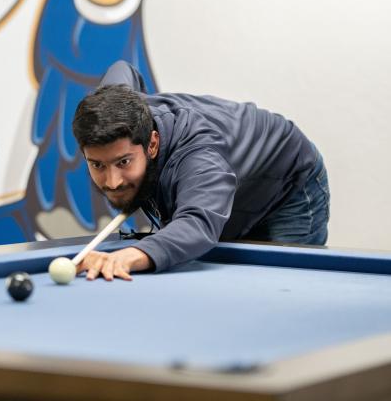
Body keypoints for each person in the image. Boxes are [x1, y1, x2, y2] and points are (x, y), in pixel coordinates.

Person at [72, 60, 330, 281]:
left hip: (288, 183)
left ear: (152, 143)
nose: (113, 181)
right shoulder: (113, 101)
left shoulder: (199, 154)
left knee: (282, 289)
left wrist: (131, 256)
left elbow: (197, 223)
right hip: (233, 179)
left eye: (123, 162)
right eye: (97, 165)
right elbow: (122, 68)